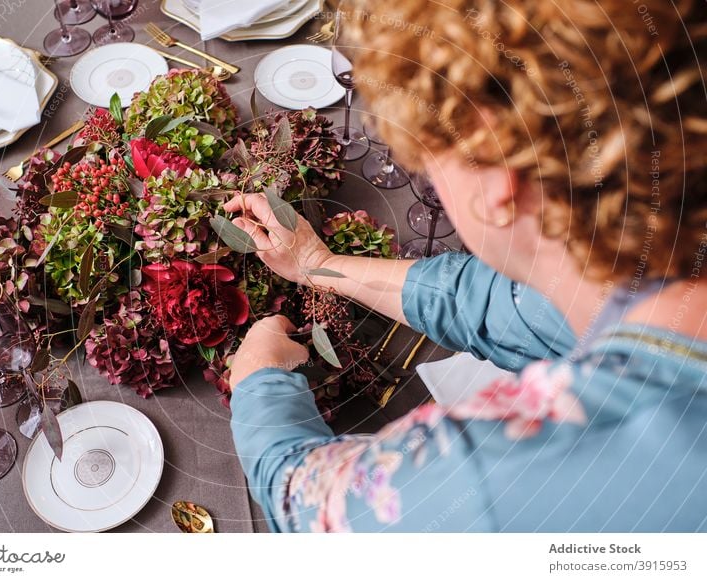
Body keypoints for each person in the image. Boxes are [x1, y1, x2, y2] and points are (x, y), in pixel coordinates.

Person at [224, 0, 707, 532]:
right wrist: (320, 265)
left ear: (491, 159)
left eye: (424, 157)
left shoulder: (509, 469)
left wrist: (259, 384)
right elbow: (509, 307)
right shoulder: (636, 264)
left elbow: (308, 505)